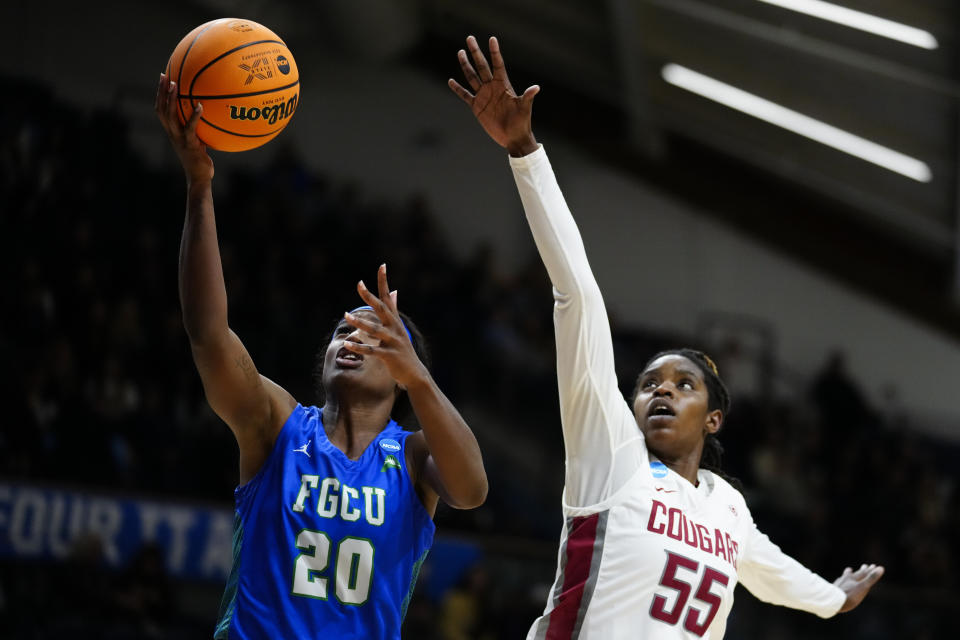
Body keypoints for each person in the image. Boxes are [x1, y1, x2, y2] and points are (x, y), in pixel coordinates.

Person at [449, 36, 883, 639]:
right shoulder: (611, 454)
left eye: (683, 385)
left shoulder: (728, 509)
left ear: (714, 420)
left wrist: (833, 599)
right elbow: (578, 295)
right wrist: (525, 151)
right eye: (649, 383)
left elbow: (769, 572)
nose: (661, 392)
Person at [155, 73, 488, 639]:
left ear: (405, 372)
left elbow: (471, 491)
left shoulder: (411, 461)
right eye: (343, 330)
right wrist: (199, 187)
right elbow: (209, 335)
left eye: (378, 336)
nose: (353, 339)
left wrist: (423, 380)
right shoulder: (277, 426)